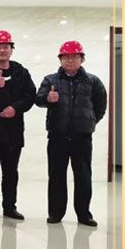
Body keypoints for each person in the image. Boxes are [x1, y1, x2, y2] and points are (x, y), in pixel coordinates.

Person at [35, 41, 106, 227]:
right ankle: (56, 213)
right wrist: (47, 99)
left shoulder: (93, 81)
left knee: (83, 176)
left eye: (75, 56)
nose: (70, 60)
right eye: (66, 57)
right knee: (56, 175)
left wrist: (90, 121)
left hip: (82, 136)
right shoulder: (50, 80)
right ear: (60, 59)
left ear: (82, 59)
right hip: (57, 135)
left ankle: (84, 215)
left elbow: (100, 106)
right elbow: (38, 100)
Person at [0, 30, 36, 220]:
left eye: (5, 47)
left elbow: (31, 95)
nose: (2, 50)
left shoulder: (21, 72)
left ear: (11, 49)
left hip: (14, 130)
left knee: (11, 172)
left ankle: (10, 207)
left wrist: (15, 109)